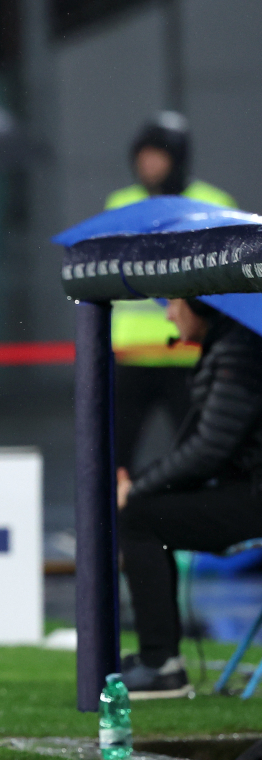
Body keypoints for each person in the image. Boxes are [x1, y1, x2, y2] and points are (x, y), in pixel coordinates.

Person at [117, 297, 262, 699]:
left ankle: (161, 665)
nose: (166, 313)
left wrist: (140, 487)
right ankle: (158, 660)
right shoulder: (233, 343)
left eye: (176, 303)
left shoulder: (240, 349)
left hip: (254, 499)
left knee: (138, 517)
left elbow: (209, 450)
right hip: (249, 491)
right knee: (144, 511)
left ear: (203, 306)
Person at [105, 113, 237, 471]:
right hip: (131, 353)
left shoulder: (213, 203)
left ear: (177, 159)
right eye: (142, 156)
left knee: (200, 453)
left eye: (158, 156)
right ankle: (114, 522)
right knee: (116, 453)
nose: (148, 165)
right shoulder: (120, 204)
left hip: (190, 353)